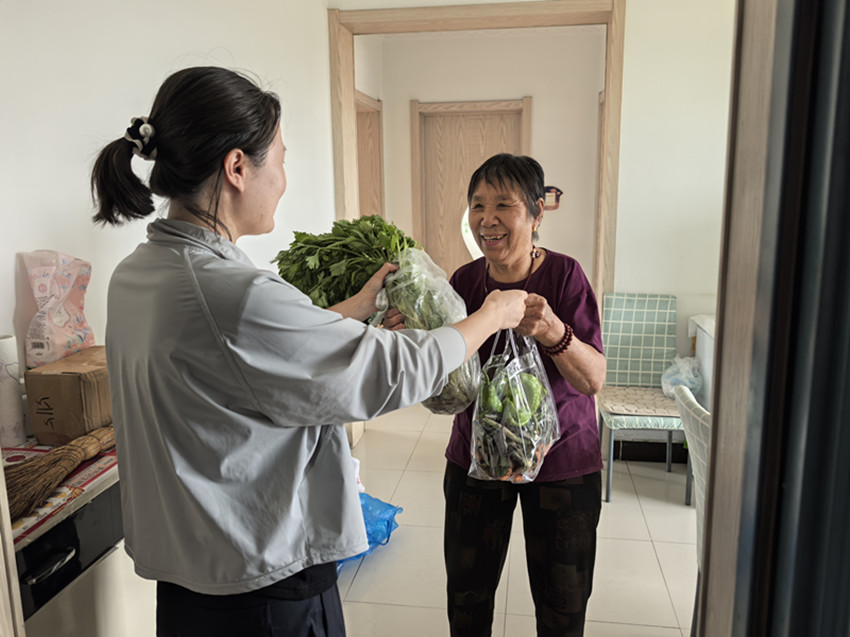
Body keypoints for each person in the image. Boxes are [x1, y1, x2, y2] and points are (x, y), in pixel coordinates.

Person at [90, 67, 528, 637]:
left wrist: (354, 309)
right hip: (262, 591)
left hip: (191, 582)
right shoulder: (233, 294)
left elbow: (240, 359)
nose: (285, 179)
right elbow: (388, 372)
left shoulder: (137, 276)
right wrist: (489, 317)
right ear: (238, 168)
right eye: (282, 160)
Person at [443, 153, 607, 637]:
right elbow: (445, 386)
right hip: (477, 461)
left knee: (562, 605)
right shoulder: (463, 282)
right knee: (467, 599)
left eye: (502, 205)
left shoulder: (565, 277)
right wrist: (415, 336)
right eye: (477, 205)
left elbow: (593, 379)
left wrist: (555, 331)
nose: (486, 219)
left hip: (562, 463)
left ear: (536, 214)